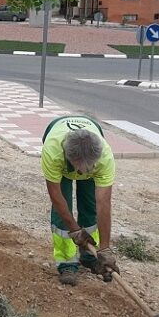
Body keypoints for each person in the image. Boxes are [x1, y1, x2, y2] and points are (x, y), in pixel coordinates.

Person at [41, 115, 119, 286]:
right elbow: (56, 195)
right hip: (59, 145)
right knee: (63, 213)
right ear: (70, 159)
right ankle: (67, 263)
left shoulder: (104, 157)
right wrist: (75, 230)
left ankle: (91, 256)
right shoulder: (52, 151)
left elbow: (103, 204)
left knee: (90, 207)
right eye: (80, 168)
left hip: (91, 143)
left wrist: (105, 249)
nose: (83, 173)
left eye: (88, 168)